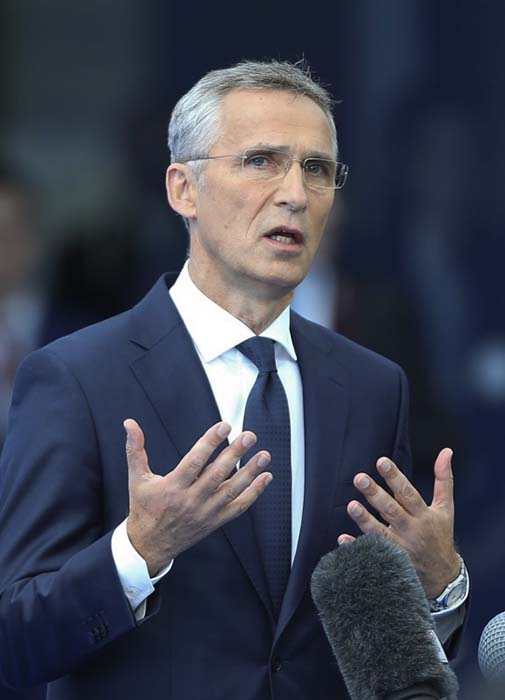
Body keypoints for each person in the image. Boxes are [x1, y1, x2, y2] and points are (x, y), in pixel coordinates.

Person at [0, 60, 467, 700]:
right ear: (183, 189)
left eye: (317, 169)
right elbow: (15, 640)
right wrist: (137, 551)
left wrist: (440, 586)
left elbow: (389, 666)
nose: (296, 194)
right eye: (260, 161)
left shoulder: (373, 387)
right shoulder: (75, 378)